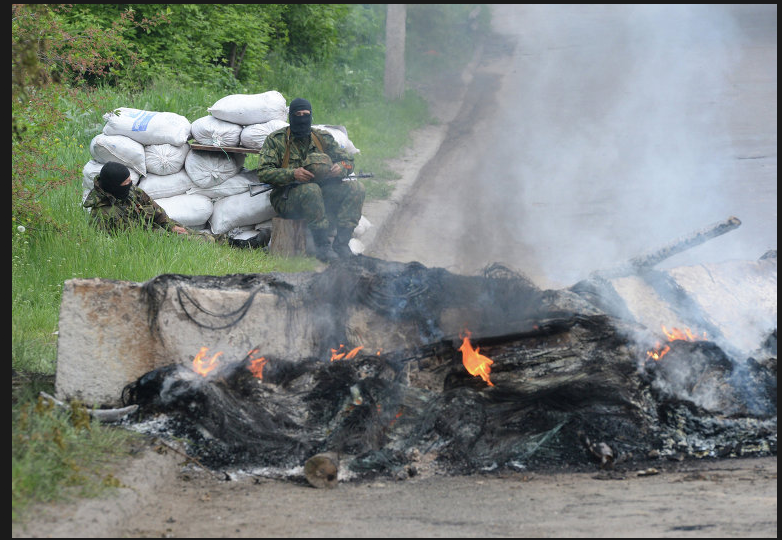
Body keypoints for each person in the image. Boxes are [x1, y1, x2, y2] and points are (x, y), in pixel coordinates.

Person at [257, 97, 365, 262]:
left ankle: (341, 245)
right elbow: (264, 172)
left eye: (305, 114)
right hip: (286, 196)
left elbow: (348, 161)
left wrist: (341, 168)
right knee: (311, 189)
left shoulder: (321, 138)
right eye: (297, 114)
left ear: (311, 116)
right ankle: (322, 246)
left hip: (322, 192)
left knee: (356, 188)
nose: (302, 118)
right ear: (291, 116)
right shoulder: (276, 140)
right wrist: (292, 174)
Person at [83, 161, 192, 235]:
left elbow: (156, 210)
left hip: (160, 228)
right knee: (197, 243)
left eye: (130, 180)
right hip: (150, 242)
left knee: (202, 237)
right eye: (126, 182)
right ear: (114, 186)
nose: (130, 184)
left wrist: (171, 226)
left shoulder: (132, 191)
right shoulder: (101, 213)